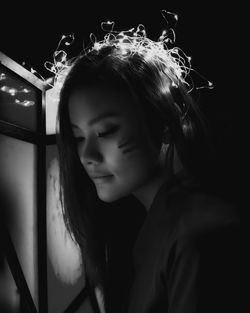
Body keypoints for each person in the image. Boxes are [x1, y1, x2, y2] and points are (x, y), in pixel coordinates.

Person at [55, 17, 241, 313]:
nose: (87, 154)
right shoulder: (153, 225)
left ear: (164, 122)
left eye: (105, 132)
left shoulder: (200, 236)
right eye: (77, 137)